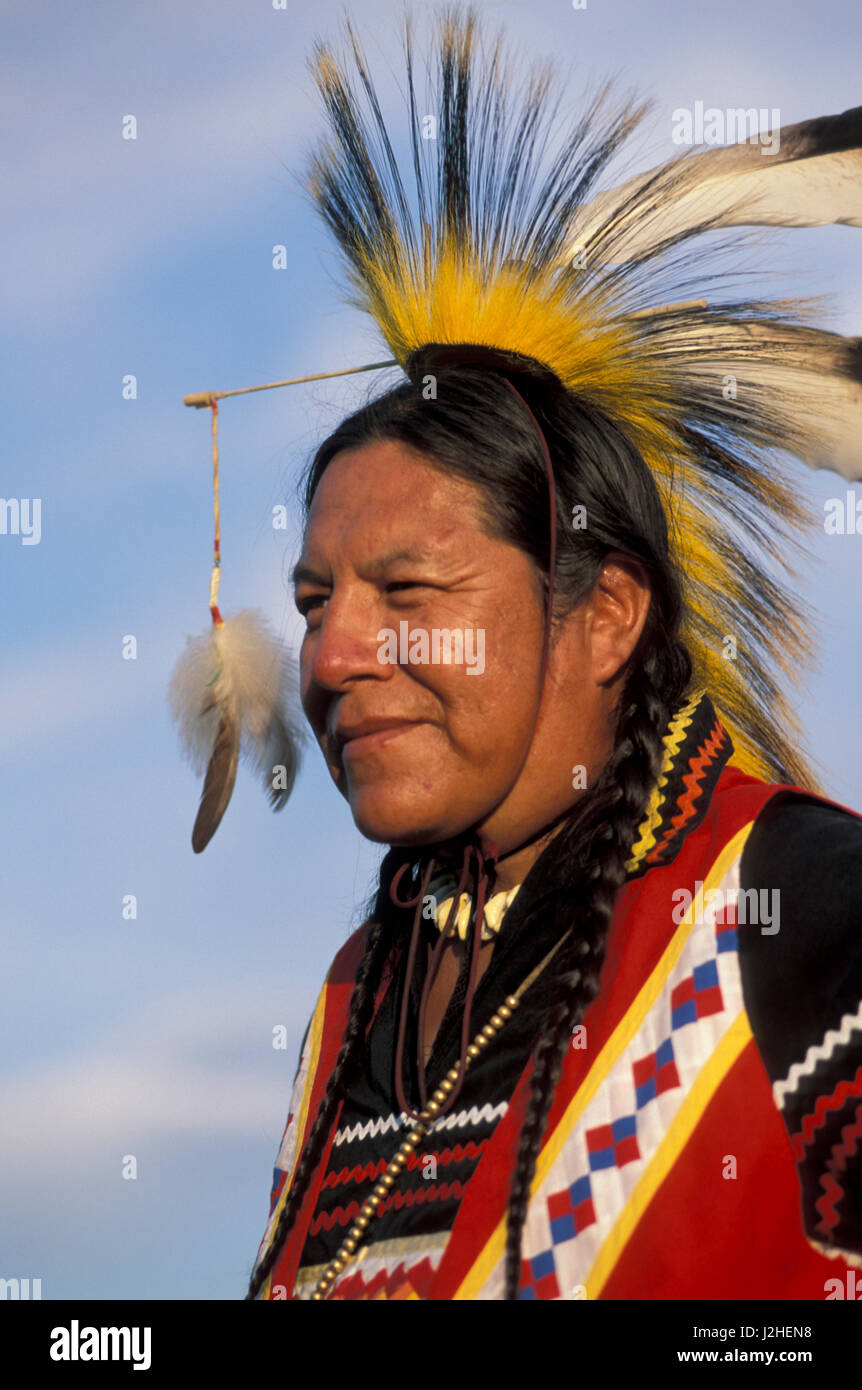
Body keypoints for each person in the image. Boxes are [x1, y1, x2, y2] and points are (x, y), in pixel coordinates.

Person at [242, 7, 862, 1300]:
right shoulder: (356, 998)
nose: (334, 653)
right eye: (313, 600)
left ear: (603, 616)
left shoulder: (804, 917)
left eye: (406, 588)